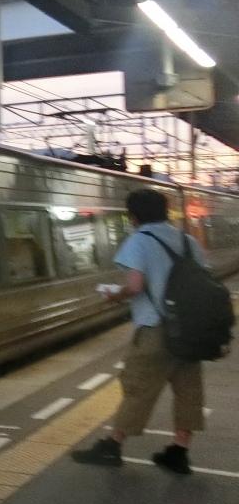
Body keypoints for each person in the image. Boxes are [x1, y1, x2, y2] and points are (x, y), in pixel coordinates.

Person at [72, 189, 205, 475]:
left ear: (133, 216)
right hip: (191, 329)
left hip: (155, 329)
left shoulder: (140, 240)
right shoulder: (188, 241)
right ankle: (179, 451)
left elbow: (135, 286)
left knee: (137, 387)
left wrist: (114, 295)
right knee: (188, 390)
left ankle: (112, 446)